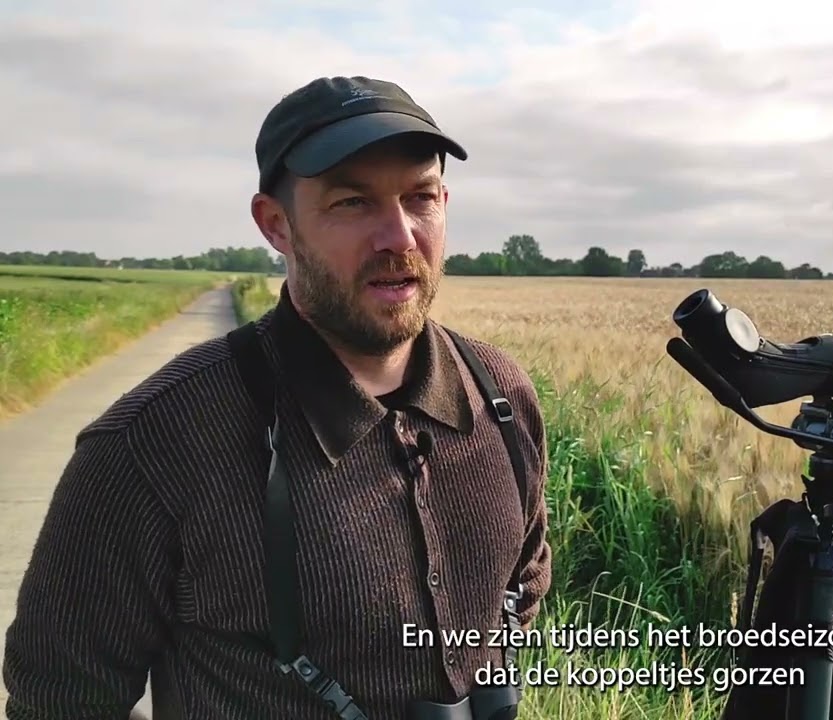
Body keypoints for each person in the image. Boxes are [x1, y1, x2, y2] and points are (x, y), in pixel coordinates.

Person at [2, 76, 552, 719]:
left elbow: (523, 586)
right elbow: (61, 698)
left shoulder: (502, 398)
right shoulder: (156, 442)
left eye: (419, 198)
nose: (399, 236)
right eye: (352, 203)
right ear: (276, 225)